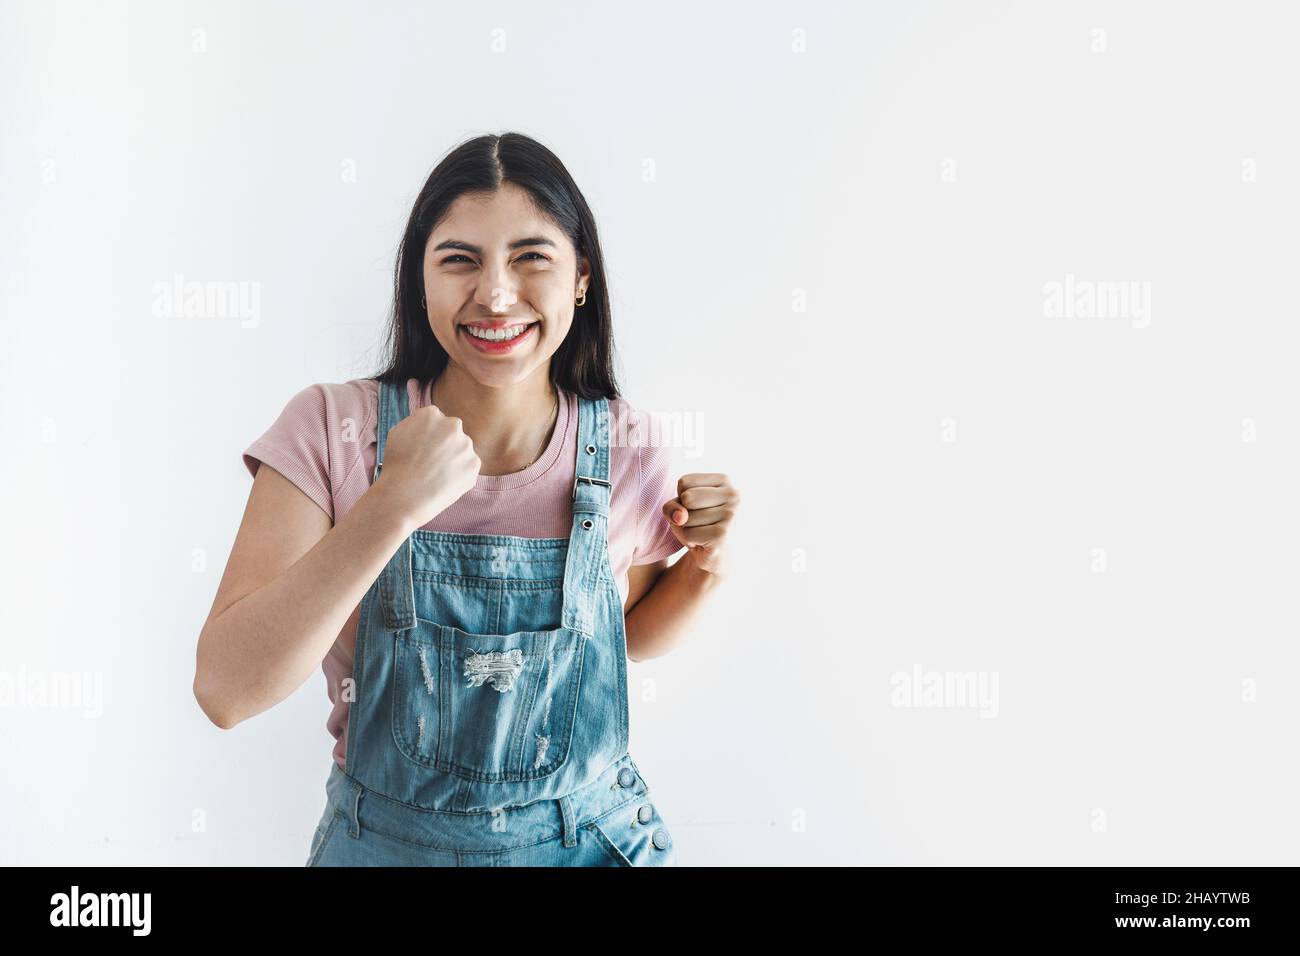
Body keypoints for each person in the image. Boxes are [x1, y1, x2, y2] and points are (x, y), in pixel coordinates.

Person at [193, 132, 740, 866]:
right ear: (419, 277)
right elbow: (226, 691)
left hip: (585, 843)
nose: (495, 294)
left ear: (581, 276)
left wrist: (703, 565)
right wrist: (391, 505)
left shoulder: (626, 444)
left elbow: (622, 638)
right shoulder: (332, 429)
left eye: (531, 256)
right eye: (459, 259)